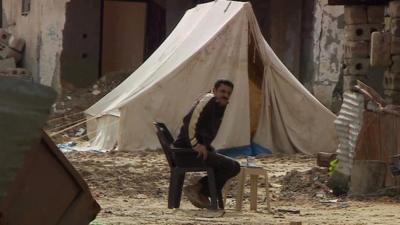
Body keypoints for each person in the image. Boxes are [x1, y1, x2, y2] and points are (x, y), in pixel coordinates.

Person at [173, 79, 241, 209]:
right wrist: (195, 144)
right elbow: (189, 121)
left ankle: (199, 189)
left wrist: (206, 146)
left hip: (194, 151)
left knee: (235, 166)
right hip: (186, 153)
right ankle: (201, 191)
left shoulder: (219, 105)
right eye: (222, 91)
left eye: (228, 93)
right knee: (229, 165)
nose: (225, 95)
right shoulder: (208, 99)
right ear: (214, 90)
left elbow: (204, 130)